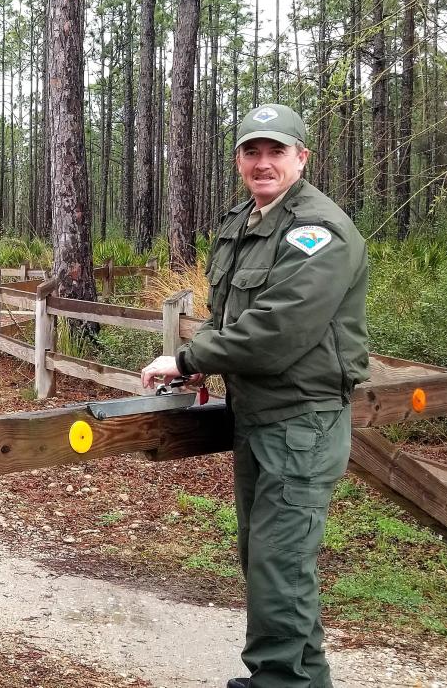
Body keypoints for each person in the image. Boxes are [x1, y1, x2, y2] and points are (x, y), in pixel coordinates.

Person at [141, 104, 369, 688]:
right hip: (258, 418)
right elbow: (227, 316)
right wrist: (199, 370)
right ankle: (299, 678)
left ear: (302, 158)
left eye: (276, 151)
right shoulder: (246, 221)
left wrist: (190, 357)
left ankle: (280, 683)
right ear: (239, 159)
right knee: (267, 562)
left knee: (278, 566)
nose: (262, 163)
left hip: (301, 423)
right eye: (251, 151)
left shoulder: (321, 232)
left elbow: (277, 331)